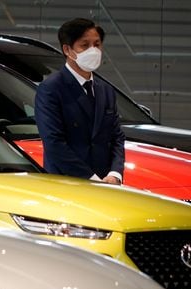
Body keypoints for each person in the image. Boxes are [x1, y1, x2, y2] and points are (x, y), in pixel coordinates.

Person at [35, 17, 125, 184]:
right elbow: (54, 143)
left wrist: (115, 174)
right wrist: (91, 180)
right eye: (85, 45)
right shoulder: (51, 89)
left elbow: (116, 137)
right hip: (66, 184)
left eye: (97, 45)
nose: (93, 51)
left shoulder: (106, 90)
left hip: (106, 184)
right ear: (68, 50)